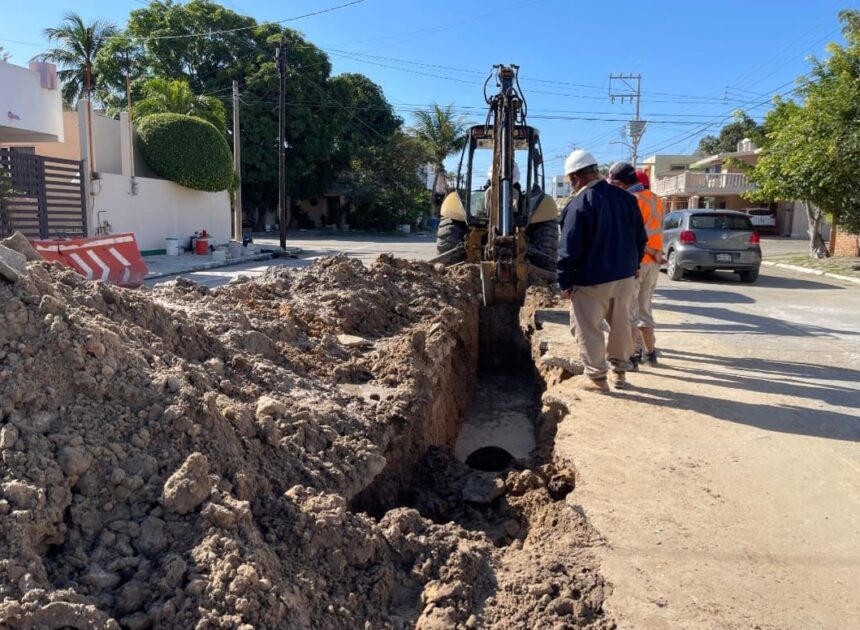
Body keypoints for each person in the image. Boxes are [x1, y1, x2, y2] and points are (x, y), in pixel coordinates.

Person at [557, 150, 647, 392]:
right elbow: (640, 238)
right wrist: (635, 266)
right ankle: (619, 373)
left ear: (575, 177)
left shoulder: (579, 204)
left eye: (571, 181)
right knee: (621, 327)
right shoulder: (627, 199)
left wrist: (565, 282)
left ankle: (597, 378)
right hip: (625, 278)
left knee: (588, 328)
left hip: (591, 281)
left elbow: (568, 248)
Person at [607, 162, 666, 369]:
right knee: (645, 310)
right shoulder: (655, 199)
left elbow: (629, 236)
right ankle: (650, 355)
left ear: (621, 183)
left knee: (630, 314)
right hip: (653, 263)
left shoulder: (630, 200)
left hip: (636, 263)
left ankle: (630, 358)